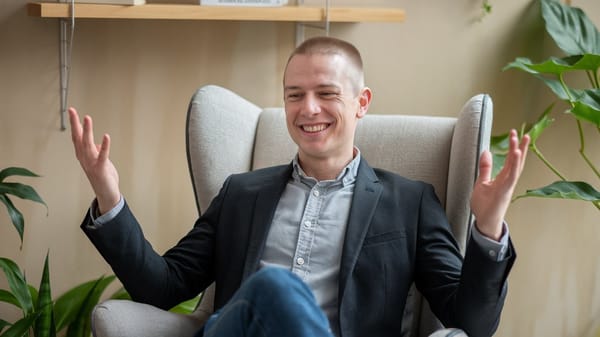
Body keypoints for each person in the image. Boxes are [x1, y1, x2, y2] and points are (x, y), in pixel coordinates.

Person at [69, 36, 530, 337]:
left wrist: (487, 228)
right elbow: (162, 287)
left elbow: (469, 322)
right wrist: (110, 198)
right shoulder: (241, 194)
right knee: (274, 287)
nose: (308, 109)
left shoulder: (409, 203)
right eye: (294, 95)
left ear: (361, 102)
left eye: (326, 93)